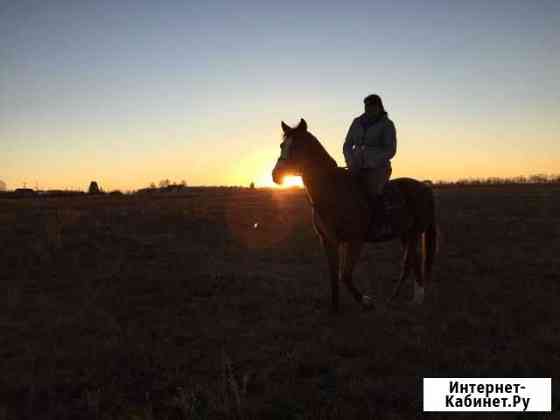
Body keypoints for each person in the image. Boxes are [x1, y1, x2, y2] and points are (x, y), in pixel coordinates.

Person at [343, 94, 397, 235]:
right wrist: (350, 160)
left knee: (373, 191)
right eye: (367, 106)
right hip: (356, 166)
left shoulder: (387, 125)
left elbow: (390, 150)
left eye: (372, 106)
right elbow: (347, 144)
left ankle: (380, 223)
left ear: (379, 107)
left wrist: (371, 160)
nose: (369, 109)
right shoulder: (356, 122)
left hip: (378, 168)